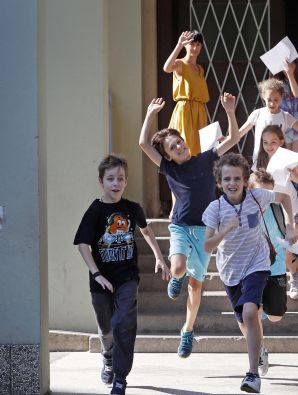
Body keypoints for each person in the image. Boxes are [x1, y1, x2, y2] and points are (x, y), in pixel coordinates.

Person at [138, 94, 239, 358]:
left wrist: (229, 110)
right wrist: (150, 114)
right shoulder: (171, 170)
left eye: (179, 141)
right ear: (168, 156)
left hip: (205, 231)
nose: (179, 147)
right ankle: (176, 278)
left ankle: (187, 330)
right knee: (179, 268)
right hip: (181, 226)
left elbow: (234, 139)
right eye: (173, 147)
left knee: (196, 286)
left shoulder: (205, 159)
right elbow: (143, 144)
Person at [74, 154, 171, 395]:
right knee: (106, 328)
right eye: (110, 179)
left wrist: (159, 257)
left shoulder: (131, 208)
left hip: (127, 277)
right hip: (101, 281)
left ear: (126, 182)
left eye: (120, 179)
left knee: (124, 324)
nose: (115, 183)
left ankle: (120, 377)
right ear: (101, 182)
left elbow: (147, 231)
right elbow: (83, 245)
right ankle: (107, 356)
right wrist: (97, 274)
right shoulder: (95, 211)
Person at [202, 153, 297, 393]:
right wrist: (225, 230)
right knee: (245, 320)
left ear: (245, 180)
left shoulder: (257, 196)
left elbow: (285, 198)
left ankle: (252, 374)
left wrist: (290, 225)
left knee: (251, 311)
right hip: (230, 270)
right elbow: (207, 245)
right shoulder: (215, 209)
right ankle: (260, 349)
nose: (231, 183)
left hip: (257, 263)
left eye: (236, 178)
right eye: (226, 179)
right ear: (219, 183)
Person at [255, 125, 298, 299]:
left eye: (273, 142)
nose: (269, 146)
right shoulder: (259, 161)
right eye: (265, 142)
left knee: (294, 232)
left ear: (282, 142)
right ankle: (292, 274)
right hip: (269, 207)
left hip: (289, 204)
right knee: (281, 244)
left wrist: (297, 177)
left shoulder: (288, 159)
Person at [248, 169, 291, 377]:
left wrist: (292, 232)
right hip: (254, 267)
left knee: (275, 316)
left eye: (268, 193)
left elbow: (287, 233)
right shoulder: (247, 210)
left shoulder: (276, 209)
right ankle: (260, 349)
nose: (264, 198)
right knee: (253, 312)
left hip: (277, 266)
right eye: (259, 193)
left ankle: (264, 311)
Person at [238, 78, 298, 163]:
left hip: (278, 162)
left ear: (281, 97)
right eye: (269, 100)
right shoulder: (258, 114)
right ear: (263, 97)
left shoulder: (286, 116)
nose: (272, 103)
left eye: (276, 100)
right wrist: (227, 139)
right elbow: (240, 133)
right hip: (260, 160)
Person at [163, 30, 210, 156]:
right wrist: (179, 45)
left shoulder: (200, 69)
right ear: (186, 45)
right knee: (184, 145)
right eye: (192, 44)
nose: (195, 47)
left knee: (200, 149)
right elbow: (167, 68)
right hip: (185, 110)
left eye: (198, 44)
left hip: (199, 112)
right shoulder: (180, 64)